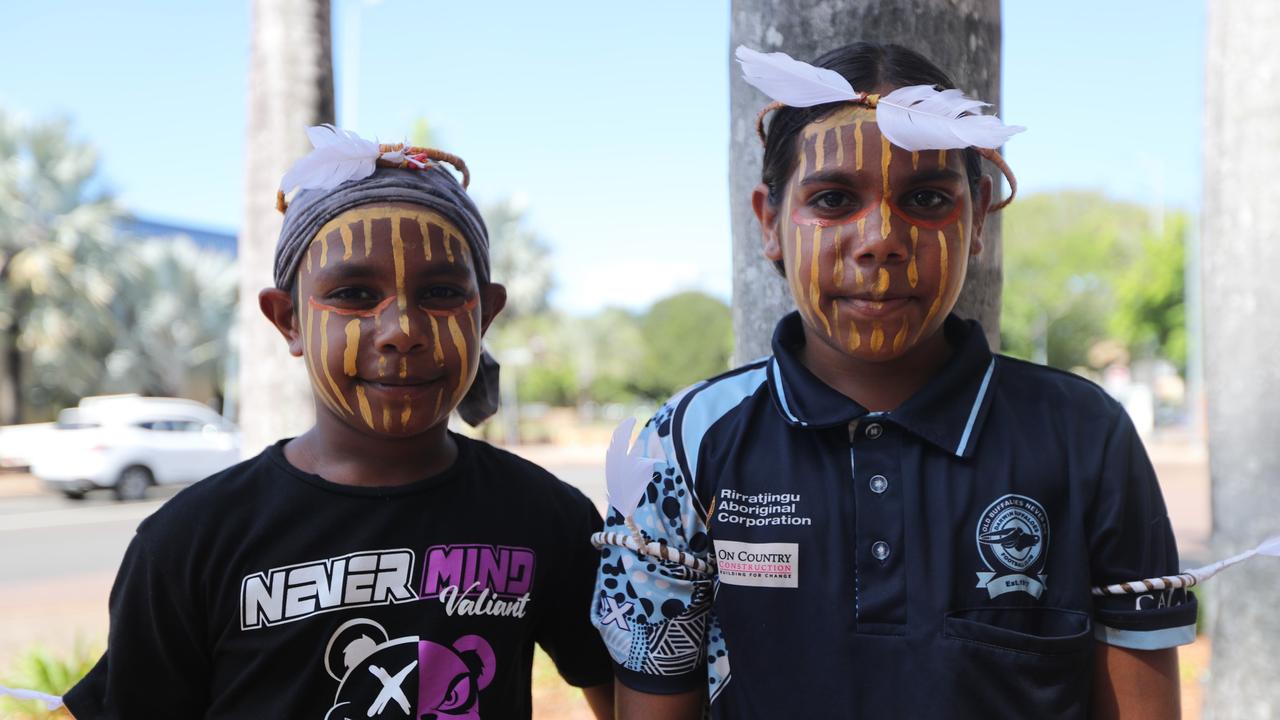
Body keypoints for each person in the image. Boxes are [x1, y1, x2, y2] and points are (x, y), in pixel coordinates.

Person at [591, 43, 1196, 719]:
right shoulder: (681, 445)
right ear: (769, 222)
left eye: (928, 198)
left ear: (976, 222)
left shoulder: (1085, 435)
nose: (880, 238)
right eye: (833, 198)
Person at [64, 128, 614, 719]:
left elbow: (621, 688)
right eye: (353, 293)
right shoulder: (190, 540)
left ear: (486, 313)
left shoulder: (546, 516)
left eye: (441, 292)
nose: (402, 328)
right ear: (289, 321)